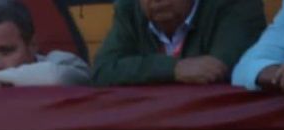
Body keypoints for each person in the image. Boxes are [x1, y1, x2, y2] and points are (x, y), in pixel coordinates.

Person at [91, 0, 265, 86]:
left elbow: (220, 70)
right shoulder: (129, 9)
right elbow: (102, 71)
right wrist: (173, 69)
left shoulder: (235, 4)